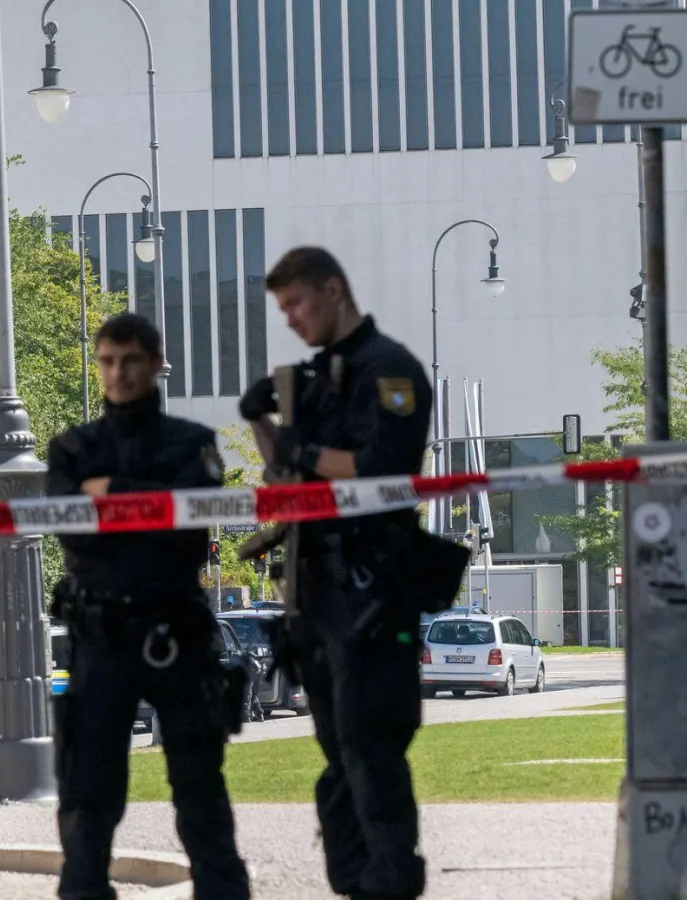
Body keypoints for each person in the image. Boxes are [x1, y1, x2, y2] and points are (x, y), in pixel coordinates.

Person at [239, 246, 433, 900]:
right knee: (338, 761)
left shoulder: (389, 370)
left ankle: (391, 881)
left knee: (370, 751)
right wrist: (261, 420)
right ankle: (358, 883)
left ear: (333, 290)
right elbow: (285, 478)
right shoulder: (316, 380)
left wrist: (302, 446)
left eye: (296, 303)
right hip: (315, 596)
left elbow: (385, 464)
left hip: (372, 593)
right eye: (283, 308)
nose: (290, 318)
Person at [47, 312, 251, 900]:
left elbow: (187, 529)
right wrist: (149, 501)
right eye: (107, 360)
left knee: (201, 793)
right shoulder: (73, 448)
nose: (118, 372)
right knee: (87, 799)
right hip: (100, 636)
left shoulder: (192, 443)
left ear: (155, 364)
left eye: (130, 360)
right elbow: (74, 532)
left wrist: (108, 495)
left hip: (176, 632)